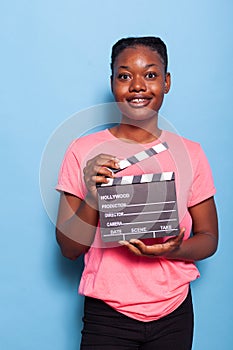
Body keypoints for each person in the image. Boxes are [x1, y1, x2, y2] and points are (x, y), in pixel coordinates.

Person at [55, 36, 218, 349]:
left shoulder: (191, 154)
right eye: (125, 75)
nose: (138, 85)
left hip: (174, 310)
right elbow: (69, 249)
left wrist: (173, 251)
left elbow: (209, 238)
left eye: (151, 75)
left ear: (167, 82)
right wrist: (93, 194)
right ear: (113, 82)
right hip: (108, 312)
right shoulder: (83, 151)